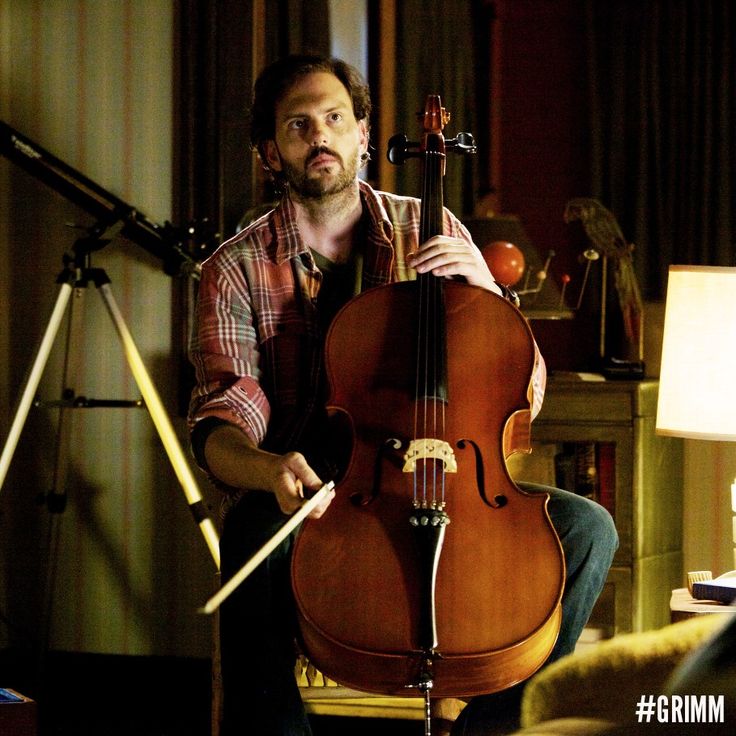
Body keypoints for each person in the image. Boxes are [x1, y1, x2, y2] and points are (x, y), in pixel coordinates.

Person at [188, 54, 618, 736]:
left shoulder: (436, 229)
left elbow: (523, 396)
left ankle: (494, 724)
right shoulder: (232, 270)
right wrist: (271, 469)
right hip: (321, 492)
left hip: (448, 477)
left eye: (335, 118)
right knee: (251, 532)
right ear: (272, 151)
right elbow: (224, 419)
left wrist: (488, 293)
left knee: (587, 529)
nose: (319, 136)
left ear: (363, 134)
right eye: (299, 126)